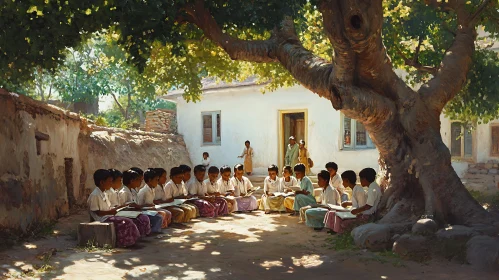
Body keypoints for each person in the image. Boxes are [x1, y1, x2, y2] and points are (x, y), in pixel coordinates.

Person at [88, 169, 141, 247]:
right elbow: (97, 213)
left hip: (108, 215)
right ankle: (123, 242)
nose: (111, 183)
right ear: (102, 182)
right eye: (109, 181)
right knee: (126, 222)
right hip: (102, 218)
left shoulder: (104, 193)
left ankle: (131, 240)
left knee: (129, 219)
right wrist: (111, 212)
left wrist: (118, 208)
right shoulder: (95, 195)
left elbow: (108, 207)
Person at [326, 168, 381, 234]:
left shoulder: (371, 189)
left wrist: (355, 211)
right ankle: (334, 230)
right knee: (333, 213)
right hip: (363, 212)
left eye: (361, 179)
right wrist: (348, 204)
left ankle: (338, 233)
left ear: (365, 179)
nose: (360, 181)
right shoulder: (371, 187)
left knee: (341, 220)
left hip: (366, 215)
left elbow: (367, 206)